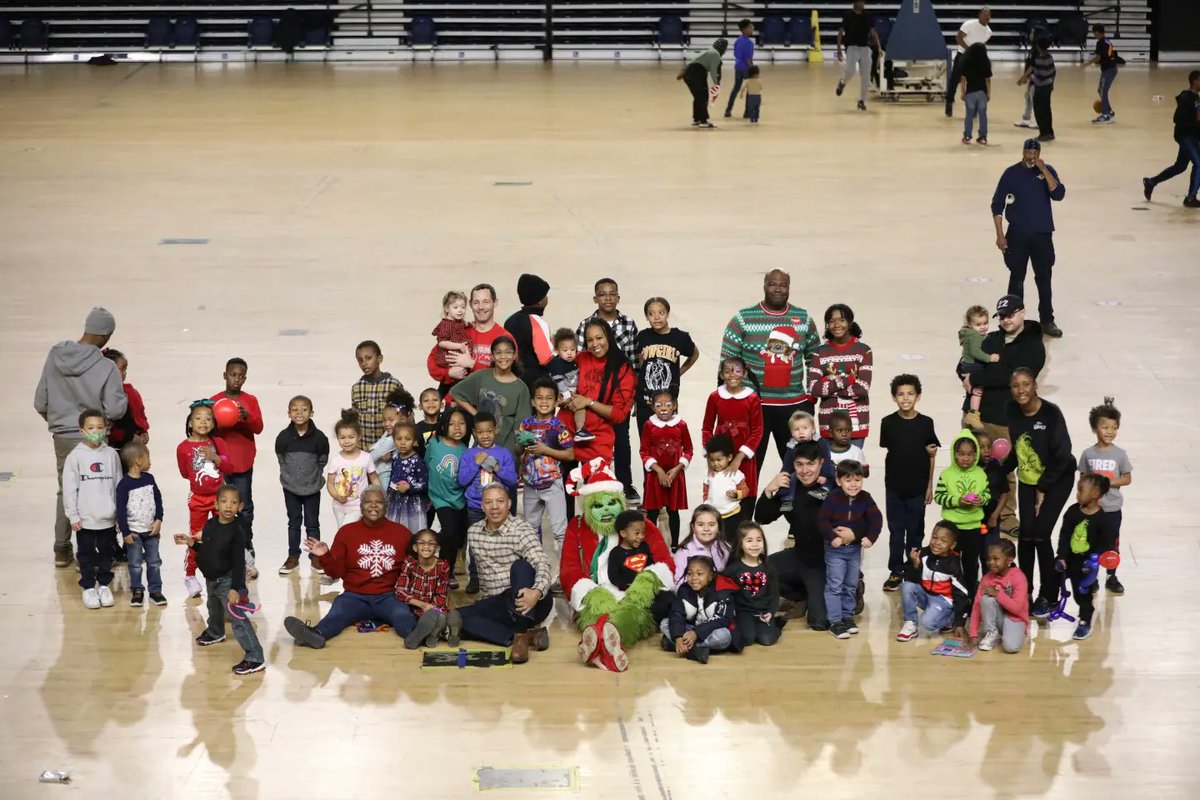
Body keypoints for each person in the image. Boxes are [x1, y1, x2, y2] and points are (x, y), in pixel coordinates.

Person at [35, 307, 128, 567]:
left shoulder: (56, 356)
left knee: (67, 490)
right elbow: (115, 409)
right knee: (101, 488)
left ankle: (62, 547)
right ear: (106, 336)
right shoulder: (106, 367)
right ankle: (101, 550)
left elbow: (40, 401)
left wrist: (60, 423)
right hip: (96, 439)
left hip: (63, 436)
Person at [560, 458, 673, 672]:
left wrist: (647, 581)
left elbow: (665, 562)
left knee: (633, 613)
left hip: (632, 594)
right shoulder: (576, 527)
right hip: (597, 592)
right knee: (596, 612)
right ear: (587, 507)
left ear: (620, 502)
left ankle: (598, 648)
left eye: (611, 503)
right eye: (598, 506)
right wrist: (591, 594)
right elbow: (569, 569)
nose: (606, 511)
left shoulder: (639, 525)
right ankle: (609, 648)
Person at [283, 486, 415, 649]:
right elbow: (336, 572)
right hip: (354, 596)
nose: (373, 505)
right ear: (361, 506)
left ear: (386, 506)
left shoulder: (402, 533)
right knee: (337, 615)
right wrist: (325, 555)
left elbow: (412, 569)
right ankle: (316, 635)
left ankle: (415, 635)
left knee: (403, 616)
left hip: (389, 595)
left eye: (378, 502)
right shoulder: (346, 532)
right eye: (368, 502)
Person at [958, 295, 1045, 534]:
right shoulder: (991, 339)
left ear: (1022, 313)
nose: (1005, 320)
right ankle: (968, 512)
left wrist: (977, 376)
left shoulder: (1032, 345)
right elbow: (963, 365)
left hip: (1005, 419)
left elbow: (1014, 376)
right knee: (969, 465)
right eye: (1002, 316)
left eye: (1010, 315)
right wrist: (977, 372)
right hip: (975, 415)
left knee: (1003, 469)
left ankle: (1006, 517)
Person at [721, 269, 820, 472]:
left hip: (793, 405)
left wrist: (810, 395)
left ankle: (795, 504)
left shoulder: (803, 319)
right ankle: (746, 504)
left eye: (783, 285)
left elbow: (815, 359)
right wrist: (728, 401)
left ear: (789, 288)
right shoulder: (743, 319)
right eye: (773, 284)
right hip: (755, 406)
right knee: (748, 466)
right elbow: (727, 363)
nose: (778, 289)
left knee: (800, 466)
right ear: (764, 285)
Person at [445, 484, 553, 664]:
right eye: (489, 502)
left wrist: (537, 592)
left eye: (500, 501)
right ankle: (528, 635)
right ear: (482, 506)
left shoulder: (521, 529)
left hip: (531, 600)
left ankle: (520, 636)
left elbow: (542, 562)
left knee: (521, 566)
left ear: (509, 503)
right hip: (498, 603)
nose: (495, 507)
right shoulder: (474, 532)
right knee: (456, 618)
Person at [1003, 367, 1076, 620]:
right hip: (1029, 478)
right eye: (1015, 386)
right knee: (1026, 536)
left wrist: (1043, 488)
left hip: (1058, 477)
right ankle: (1026, 591)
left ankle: (1048, 594)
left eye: (1026, 384)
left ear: (1035, 386)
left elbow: (1063, 455)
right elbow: (1018, 448)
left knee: (1041, 534)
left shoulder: (1051, 414)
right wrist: (998, 470)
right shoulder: (1012, 411)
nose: (1021, 390)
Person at [174, 485, 265, 674]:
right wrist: (191, 543)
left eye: (233, 502)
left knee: (238, 619)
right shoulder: (210, 525)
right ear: (216, 504)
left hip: (227, 580)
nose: (228, 506)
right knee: (213, 607)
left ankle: (255, 657)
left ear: (240, 507)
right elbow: (206, 549)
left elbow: (239, 562)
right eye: (224, 501)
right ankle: (216, 631)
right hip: (211, 578)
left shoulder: (236, 531)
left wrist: (235, 588)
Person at [991, 141, 1066, 338]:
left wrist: (1044, 170)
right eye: (1028, 152)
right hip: (1018, 235)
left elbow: (1058, 194)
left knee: (1044, 278)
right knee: (1017, 278)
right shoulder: (1011, 173)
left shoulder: (1047, 171)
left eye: (1035, 152)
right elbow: (997, 205)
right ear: (1022, 152)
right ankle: (1011, 321)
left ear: (1039, 153)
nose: (1031, 156)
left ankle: (1047, 320)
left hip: (1042, 235)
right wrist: (999, 234)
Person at [576, 280, 640, 501]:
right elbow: (579, 360)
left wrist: (631, 397)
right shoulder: (586, 324)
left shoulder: (629, 324)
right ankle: (587, 481)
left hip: (619, 391)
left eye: (612, 294)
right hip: (594, 395)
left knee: (622, 441)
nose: (607, 298)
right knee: (588, 441)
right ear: (596, 298)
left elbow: (633, 360)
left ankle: (625, 483)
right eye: (602, 295)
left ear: (618, 297)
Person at [758, 442, 830, 630]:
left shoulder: (832, 487)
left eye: (810, 464)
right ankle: (801, 595)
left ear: (821, 463)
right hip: (800, 555)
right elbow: (762, 517)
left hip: (825, 562)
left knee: (818, 622)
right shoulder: (790, 489)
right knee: (761, 570)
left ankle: (853, 589)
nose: (805, 470)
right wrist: (769, 490)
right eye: (799, 464)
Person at [879, 374, 940, 592]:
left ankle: (913, 568)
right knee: (896, 531)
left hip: (917, 488)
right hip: (894, 487)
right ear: (894, 398)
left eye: (910, 394)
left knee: (916, 530)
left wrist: (929, 486)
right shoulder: (887, 423)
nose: (906, 398)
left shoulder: (926, 423)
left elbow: (932, 455)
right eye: (901, 394)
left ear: (918, 396)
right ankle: (896, 570)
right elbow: (888, 448)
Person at [559, 320, 635, 482]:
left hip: (597, 440)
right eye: (590, 340)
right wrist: (561, 398)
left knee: (596, 497)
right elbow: (559, 383)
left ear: (609, 337)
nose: (594, 344)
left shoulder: (622, 368)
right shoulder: (580, 358)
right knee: (563, 496)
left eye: (599, 338)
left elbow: (619, 414)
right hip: (566, 435)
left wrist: (588, 402)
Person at [211, 357, 263, 579]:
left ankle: (245, 542)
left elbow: (258, 427)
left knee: (245, 506)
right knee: (221, 504)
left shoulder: (249, 400)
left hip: (242, 463)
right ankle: (222, 541)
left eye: (241, 376)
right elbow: (207, 427)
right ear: (225, 375)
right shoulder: (214, 401)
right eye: (233, 374)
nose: (236, 379)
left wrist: (245, 417)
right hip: (219, 463)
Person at [64, 408, 122, 609]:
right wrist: (73, 515)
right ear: (82, 431)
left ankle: (104, 585)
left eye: (100, 427)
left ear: (106, 429)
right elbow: (70, 489)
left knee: (107, 553)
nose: (96, 431)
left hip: (107, 517)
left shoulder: (111, 455)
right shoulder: (75, 457)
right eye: (91, 427)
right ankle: (89, 587)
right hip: (86, 519)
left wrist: (119, 515)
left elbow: (118, 484)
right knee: (86, 554)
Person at [819, 459, 881, 639]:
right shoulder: (832, 498)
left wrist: (871, 538)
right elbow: (822, 521)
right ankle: (835, 621)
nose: (853, 485)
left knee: (851, 585)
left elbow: (876, 520)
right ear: (838, 481)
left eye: (857, 480)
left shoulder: (866, 498)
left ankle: (847, 616)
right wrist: (833, 537)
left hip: (854, 551)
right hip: (835, 551)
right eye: (848, 480)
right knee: (835, 585)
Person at [518, 378, 575, 573]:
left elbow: (570, 454)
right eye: (539, 398)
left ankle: (566, 573)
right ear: (533, 401)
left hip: (553, 483)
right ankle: (537, 571)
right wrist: (521, 447)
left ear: (557, 400)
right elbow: (519, 450)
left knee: (560, 531)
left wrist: (545, 450)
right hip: (530, 483)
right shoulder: (525, 424)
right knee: (531, 529)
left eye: (549, 398)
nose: (544, 402)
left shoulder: (559, 426)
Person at [177, 401, 232, 598]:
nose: (203, 422)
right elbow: (185, 473)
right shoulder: (183, 448)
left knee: (225, 532)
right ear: (190, 423)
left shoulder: (217, 443)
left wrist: (216, 457)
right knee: (196, 536)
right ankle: (190, 575)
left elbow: (229, 467)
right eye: (198, 418)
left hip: (220, 498)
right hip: (198, 498)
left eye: (208, 419)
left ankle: (226, 570)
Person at [1079, 398, 1131, 594]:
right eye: (1105, 427)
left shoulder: (1120, 454)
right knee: (1091, 542)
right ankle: (1092, 577)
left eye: (1114, 427)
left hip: (1111, 508)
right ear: (1095, 428)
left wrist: (1108, 482)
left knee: (1111, 543)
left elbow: (1127, 478)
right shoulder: (1088, 454)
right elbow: (1083, 478)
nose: (1110, 431)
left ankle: (1111, 576)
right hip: (1093, 509)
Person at [1054, 473, 1116, 641]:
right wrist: (1061, 556)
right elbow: (1065, 535)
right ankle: (1049, 602)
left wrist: (1097, 560)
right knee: (1052, 576)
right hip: (1068, 559)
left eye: (1081, 490)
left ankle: (1085, 619)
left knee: (1082, 594)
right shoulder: (1072, 512)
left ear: (1096, 494)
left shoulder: (1102, 519)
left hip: (1086, 565)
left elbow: (1106, 542)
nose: (1077, 494)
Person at [702, 355, 762, 521]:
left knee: (745, 493)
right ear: (721, 375)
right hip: (720, 456)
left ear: (744, 374)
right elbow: (707, 428)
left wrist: (739, 458)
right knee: (720, 495)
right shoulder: (715, 397)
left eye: (737, 371)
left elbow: (757, 431)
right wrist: (710, 457)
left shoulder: (752, 398)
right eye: (727, 371)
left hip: (744, 457)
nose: (732, 375)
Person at [450, 336, 531, 458]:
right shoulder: (481, 376)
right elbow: (455, 392)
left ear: (514, 356)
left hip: (506, 447)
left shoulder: (521, 388)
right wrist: (476, 413)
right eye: (498, 353)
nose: (503, 356)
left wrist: (519, 452)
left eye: (508, 352)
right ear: (492, 357)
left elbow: (522, 424)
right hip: (481, 443)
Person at [276, 395, 329, 576]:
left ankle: (316, 556)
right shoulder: (283, 437)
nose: (299, 413)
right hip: (291, 488)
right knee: (294, 522)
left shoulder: (320, 437)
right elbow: (281, 458)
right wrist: (289, 476)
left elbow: (322, 459)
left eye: (304, 409)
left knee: (312, 523)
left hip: (312, 487)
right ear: (289, 413)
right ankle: (293, 556)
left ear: (311, 413)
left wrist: (313, 475)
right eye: (295, 409)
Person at [934, 430, 992, 595]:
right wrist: (957, 501)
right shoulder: (947, 474)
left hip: (973, 527)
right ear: (954, 454)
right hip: (952, 528)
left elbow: (987, 494)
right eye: (961, 454)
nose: (965, 458)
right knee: (951, 562)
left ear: (976, 455)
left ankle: (971, 594)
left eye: (969, 454)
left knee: (971, 563)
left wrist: (982, 499)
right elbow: (939, 496)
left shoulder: (980, 474)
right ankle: (951, 593)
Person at [633, 297, 698, 436]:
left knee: (669, 441)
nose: (657, 317)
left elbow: (694, 354)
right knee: (646, 443)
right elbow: (640, 364)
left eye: (661, 312)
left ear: (668, 314)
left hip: (667, 401)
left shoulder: (680, 337)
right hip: (645, 401)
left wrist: (680, 372)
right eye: (651, 314)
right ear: (646, 317)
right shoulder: (643, 336)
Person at [426, 283, 511, 389]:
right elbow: (432, 362)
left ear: (495, 303)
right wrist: (448, 373)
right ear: (470, 304)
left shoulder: (504, 337)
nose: (481, 307)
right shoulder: (458, 331)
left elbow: (507, 374)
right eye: (476, 302)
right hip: (455, 399)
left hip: (489, 398)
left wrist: (471, 364)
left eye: (486, 302)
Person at [895, 522, 970, 642]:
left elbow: (962, 593)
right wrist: (915, 564)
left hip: (943, 600)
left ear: (952, 545)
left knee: (928, 624)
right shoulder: (923, 554)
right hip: (926, 595)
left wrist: (959, 622)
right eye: (934, 537)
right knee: (906, 586)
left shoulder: (953, 564)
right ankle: (910, 623)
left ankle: (949, 619)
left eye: (943, 540)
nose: (937, 543)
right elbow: (910, 578)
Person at [808, 304, 872, 442]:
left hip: (856, 425)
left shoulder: (863, 351)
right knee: (830, 464)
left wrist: (829, 387)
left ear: (850, 323)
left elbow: (862, 389)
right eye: (831, 321)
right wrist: (846, 381)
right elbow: (814, 389)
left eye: (842, 320)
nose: (836, 325)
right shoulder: (819, 352)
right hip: (828, 424)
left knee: (852, 463)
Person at [640, 388, 693, 549]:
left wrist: (678, 468)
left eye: (667, 405)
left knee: (673, 511)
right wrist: (658, 470)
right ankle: (650, 545)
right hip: (655, 476)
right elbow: (644, 451)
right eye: (658, 405)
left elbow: (689, 450)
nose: (663, 408)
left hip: (675, 476)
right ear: (653, 407)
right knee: (653, 511)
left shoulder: (681, 425)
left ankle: (675, 545)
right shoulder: (649, 425)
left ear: (674, 406)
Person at [661, 555, 738, 663]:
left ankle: (680, 645)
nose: (694, 578)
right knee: (665, 622)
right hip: (691, 629)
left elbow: (722, 619)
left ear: (710, 576)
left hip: (712, 630)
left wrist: (696, 633)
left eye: (699, 574)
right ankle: (693, 648)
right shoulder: (685, 590)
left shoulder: (722, 591)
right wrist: (678, 636)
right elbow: (676, 613)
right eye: (690, 573)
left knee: (724, 637)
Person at [426, 407, 471, 589]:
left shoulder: (465, 449)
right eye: (452, 424)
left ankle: (449, 560)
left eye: (461, 424)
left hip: (459, 498)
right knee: (450, 532)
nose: (457, 428)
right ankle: (445, 571)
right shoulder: (435, 443)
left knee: (458, 536)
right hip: (439, 498)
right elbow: (425, 464)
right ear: (444, 425)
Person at [116, 441, 165, 607]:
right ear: (138, 460)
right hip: (134, 533)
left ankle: (155, 590)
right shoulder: (124, 485)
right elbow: (120, 510)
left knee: (154, 562)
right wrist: (125, 532)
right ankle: (137, 589)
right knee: (135, 564)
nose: (150, 461)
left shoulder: (150, 479)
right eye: (147, 457)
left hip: (151, 531)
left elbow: (158, 500)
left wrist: (159, 519)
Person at [1143, 70, 1200, 209]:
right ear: (1194, 81)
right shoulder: (1187, 98)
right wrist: (1195, 123)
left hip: (1192, 136)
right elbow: (1177, 119)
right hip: (1186, 136)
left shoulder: (1196, 98)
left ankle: (1151, 182)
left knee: (1180, 166)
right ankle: (1191, 197)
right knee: (1199, 163)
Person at [725, 521, 782, 647]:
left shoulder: (768, 567)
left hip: (763, 612)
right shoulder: (734, 568)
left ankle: (777, 624)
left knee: (767, 640)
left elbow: (775, 593)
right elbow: (723, 589)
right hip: (743, 612)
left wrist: (771, 612)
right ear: (740, 544)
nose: (755, 544)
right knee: (747, 639)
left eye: (759, 540)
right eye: (749, 540)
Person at [393, 529, 451, 649]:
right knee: (405, 623)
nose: (426, 546)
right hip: (414, 607)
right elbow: (400, 590)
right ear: (415, 547)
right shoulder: (410, 563)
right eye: (422, 543)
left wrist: (431, 608)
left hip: (434, 608)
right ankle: (432, 632)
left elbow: (441, 594)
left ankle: (433, 631)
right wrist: (422, 605)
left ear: (437, 548)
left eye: (431, 543)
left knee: (441, 615)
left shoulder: (443, 566)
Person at [458, 411, 518, 527]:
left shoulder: (504, 453)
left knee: (499, 539)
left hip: (498, 507)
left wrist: (498, 468)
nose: (485, 436)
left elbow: (512, 480)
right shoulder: (468, 454)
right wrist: (476, 463)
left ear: (496, 430)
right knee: (477, 539)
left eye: (489, 431)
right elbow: (462, 481)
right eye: (480, 432)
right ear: (474, 433)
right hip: (475, 506)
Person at [326, 409, 379, 537]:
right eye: (342, 437)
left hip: (358, 505)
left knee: (346, 530)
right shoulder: (336, 460)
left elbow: (374, 478)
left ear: (359, 438)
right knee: (344, 534)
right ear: (338, 438)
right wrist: (337, 496)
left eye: (351, 437)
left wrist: (379, 495)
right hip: (339, 506)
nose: (347, 441)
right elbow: (330, 483)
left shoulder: (366, 458)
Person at [969, 539, 1029, 653]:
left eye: (996, 559)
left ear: (1009, 560)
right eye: (989, 558)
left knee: (1011, 648)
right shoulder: (987, 578)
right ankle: (992, 633)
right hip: (997, 619)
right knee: (986, 599)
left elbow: (1017, 609)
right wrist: (973, 634)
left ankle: (1018, 633)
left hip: (1016, 619)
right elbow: (977, 606)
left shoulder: (1019, 577)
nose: (990, 562)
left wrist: (998, 593)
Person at [775, 410, 836, 513]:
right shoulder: (792, 445)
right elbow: (787, 463)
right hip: (801, 473)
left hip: (822, 466)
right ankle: (787, 499)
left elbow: (826, 458)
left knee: (833, 468)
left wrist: (824, 475)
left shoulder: (820, 442)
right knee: (791, 477)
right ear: (791, 433)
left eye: (805, 428)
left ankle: (825, 489)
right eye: (796, 429)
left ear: (813, 429)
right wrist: (784, 475)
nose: (801, 432)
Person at [503, 273, 555, 386]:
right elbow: (545, 358)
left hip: (513, 378)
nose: (547, 298)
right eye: (545, 296)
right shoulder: (538, 322)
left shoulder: (510, 320)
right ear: (540, 301)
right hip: (535, 382)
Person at [350, 340, 403, 449]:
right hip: (365, 450)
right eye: (360, 360)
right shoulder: (357, 388)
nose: (364, 363)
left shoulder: (393, 385)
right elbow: (354, 421)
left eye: (368, 358)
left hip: (390, 449)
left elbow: (405, 418)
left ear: (379, 359)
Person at [946, 7, 992, 117]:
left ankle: (975, 107)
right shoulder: (969, 25)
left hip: (977, 58)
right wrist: (969, 50)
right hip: (963, 54)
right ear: (980, 14)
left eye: (989, 15)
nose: (987, 17)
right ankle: (949, 101)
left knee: (977, 82)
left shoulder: (988, 32)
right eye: (985, 14)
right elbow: (959, 38)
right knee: (955, 79)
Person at [101, 348, 149, 453]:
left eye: (126, 369)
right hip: (112, 449)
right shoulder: (101, 394)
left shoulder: (131, 392)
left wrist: (143, 432)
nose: (125, 373)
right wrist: (129, 437)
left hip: (134, 449)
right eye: (122, 368)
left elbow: (140, 415)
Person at [836, 0, 881, 112]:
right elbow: (840, 32)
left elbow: (872, 31)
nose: (862, 4)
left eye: (863, 2)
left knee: (866, 75)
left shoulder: (868, 16)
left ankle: (862, 101)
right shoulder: (847, 15)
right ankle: (842, 82)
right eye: (860, 2)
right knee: (850, 71)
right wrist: (839, 49)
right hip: (852, 47)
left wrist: (878, 46)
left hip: (865, 47)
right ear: (855, 3)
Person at [672, 504, 731, 589]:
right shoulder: (684, 551)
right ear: (693, 527)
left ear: (718, 527)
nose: (706, 529)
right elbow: (679, 582)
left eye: (711, 524)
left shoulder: (725, 548)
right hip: (692, 595)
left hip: (719, 595)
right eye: (700, 524)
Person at [702, 435, 749, 539]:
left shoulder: (735, 474)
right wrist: (706, 506)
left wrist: (737, 494)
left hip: (733, 515)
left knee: (732, 541)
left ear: (729, 457)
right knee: (716, 540)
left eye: (719, 460)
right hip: (714, 517)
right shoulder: (710, 476)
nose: (715, 463)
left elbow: (745, 490)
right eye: (712, 460)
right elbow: (706, 493)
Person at [385, 421, 429, 533]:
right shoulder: (395, 458)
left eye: (407, 439)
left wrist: (409, 487)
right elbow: (392, 479)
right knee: (395, 532)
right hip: (395, 502)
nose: (403, 443)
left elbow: (424, 484)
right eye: (399, 439)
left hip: (412, 505)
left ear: (414, 442)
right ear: (394, 440)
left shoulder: (417, 461)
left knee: (411, 533)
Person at [960, 305, 1000, 424]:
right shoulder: (974, 337)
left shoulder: (975, 335)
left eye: (985, 323)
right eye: (978, 325)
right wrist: (990, 358)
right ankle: (973, 414)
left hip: (970, 364)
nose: (983, 327)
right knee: (978, 390)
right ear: (969, 324)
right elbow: (976, 352)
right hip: (973, 365)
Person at [602, 510, 658, 592]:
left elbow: (651, 565)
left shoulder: (644, 547)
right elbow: (613, 577)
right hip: (628, 592)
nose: (641, 536)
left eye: (643, 533)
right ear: (623, 533)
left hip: (647, 588)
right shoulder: (616, 553)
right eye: (637, 533)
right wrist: (629, 586)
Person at [678, 39, 727, 128]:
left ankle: (697, 119)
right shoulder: (715, 54)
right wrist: (716, 84)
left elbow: (693, 61)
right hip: (696, 73)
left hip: (690, 73)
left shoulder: (709, 51)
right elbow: (713, 71)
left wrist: (684, 71)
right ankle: (703, 121)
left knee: (698, 96)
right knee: (702, 96)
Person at [1019, 37, 1056, 141]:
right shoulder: (1050, 57)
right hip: (1048, 87)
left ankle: (1044, 133)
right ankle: (1049, 132)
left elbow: (1041, 74)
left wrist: (1030, 78)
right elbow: (1053, 71)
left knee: (1040, 112)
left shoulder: (1039, 59)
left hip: (1041, 88)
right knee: (1047, 110)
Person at [432, 290, 473, 384]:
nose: (460, 310)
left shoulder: (458, 322)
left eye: (463, 307)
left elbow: (462, 326)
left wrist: (469, 324)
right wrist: (459, 346)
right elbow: (442, 342)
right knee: (454, 382)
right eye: (455, 307)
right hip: (450, 360)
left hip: (460, 360)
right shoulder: (445, 324)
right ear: (447, 308)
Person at [1083, 24, 1119, 124]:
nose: (1094, 35)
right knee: (1101, 90)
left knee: (1103, 91)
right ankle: (1109, 111)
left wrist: (1087, 64)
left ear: (1098, 32)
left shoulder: (1100, 42)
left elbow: (1098, 57)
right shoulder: (1107, 41)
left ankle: (1105, 115)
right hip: (1111, 69)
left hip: (1108, 69)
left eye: (1094, 33)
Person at [959, 41, 992, 145]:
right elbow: (988, 80)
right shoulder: (985, 63)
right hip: (982, 92)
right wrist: (988, 93)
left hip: (970, 92)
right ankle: (983, 137)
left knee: (969, 115)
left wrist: (963, 92)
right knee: (983, 114)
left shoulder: (966, 63)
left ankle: (967, 136)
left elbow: (963, 79)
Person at [724, 19, 754, 118]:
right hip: (746, 69)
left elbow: (736, 54)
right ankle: (747, 112)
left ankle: (728, 110)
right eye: (750, 27)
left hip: (738, 67)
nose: (752, 28)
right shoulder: (749, 43)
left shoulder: (737, 41)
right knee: (750, 90)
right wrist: (753, 70)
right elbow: (748, 59)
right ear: (745, 29)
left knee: (736, 88)